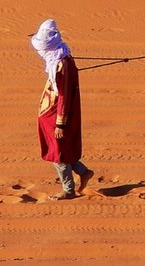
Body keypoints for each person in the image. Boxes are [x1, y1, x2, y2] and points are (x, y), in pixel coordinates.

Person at [30, 18, 94, 200]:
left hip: (58, 116)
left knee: (58, 153)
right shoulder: (59, 58)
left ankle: (68, 190)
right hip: (51, 113)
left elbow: (64, 95)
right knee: (62, 149)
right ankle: (83, 172)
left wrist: (60, 124)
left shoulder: (61, 64)